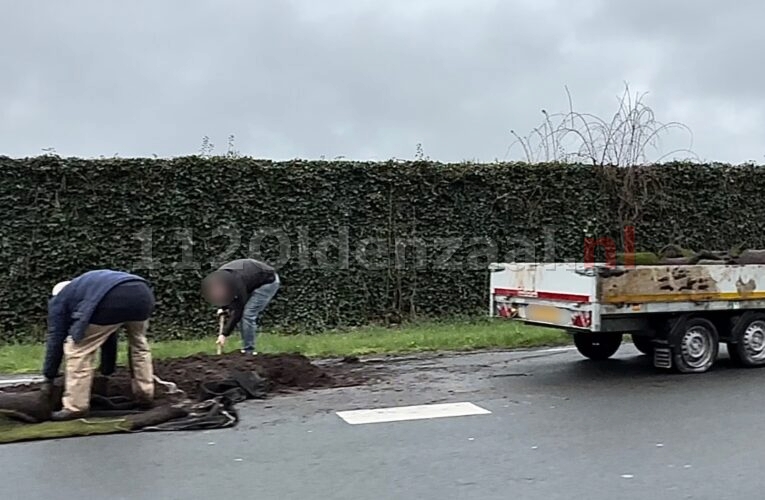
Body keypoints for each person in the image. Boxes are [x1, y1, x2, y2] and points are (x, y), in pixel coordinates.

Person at [43, 269, 156, 421]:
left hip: (112, 299)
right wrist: (107, 371)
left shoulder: (61, 299)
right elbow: (109, 333)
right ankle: (145, 396)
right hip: (142, 293)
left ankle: (75, 407)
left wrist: (49, 375)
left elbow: (56, 337)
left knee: (78, 350)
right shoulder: (87, 287)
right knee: (139, 346)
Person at [201, 258, 280, 355]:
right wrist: (223, 307)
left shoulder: (237, 284)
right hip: (251, 277)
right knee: (242, 313)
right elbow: (225, 297)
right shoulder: (217, 278)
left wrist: (224, 334)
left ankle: (249, 350)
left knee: (247, 314)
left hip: (268, 282)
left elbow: (238, 311)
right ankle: (247, 348)